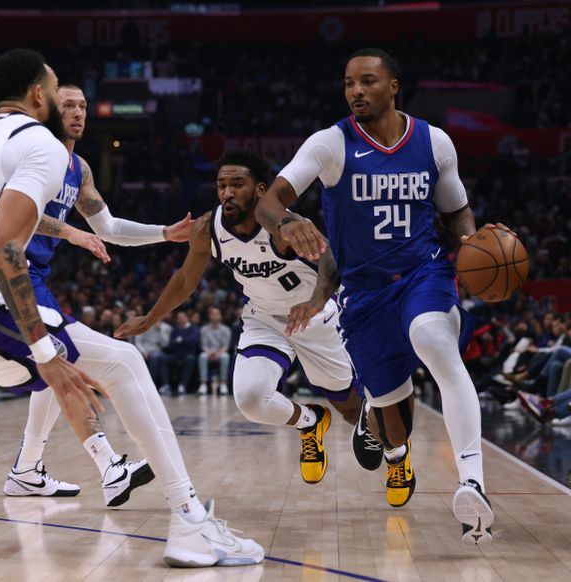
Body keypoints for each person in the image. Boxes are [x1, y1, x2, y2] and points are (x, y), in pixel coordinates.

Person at [0, 49, 262, 568]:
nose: (73, 105)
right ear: (40, 95)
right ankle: (190, 521)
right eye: (60, 89)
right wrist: (42, 350)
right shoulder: (37, 144)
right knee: (123, 362)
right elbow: (2, 250)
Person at [255, 48, 506, 545]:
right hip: (363, 295)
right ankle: (377, 414)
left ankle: (472, 481)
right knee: (397, 433)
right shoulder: (330, 144)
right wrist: (287, 221)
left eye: (367, 81)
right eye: (348, 83)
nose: (355, 91)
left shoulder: (435, 143)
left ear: (393, 87)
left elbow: (456, 212)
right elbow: (268, 201)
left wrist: (474, 246)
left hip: (423, 274)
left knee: (433, 340)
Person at [117, 149, 378, 486]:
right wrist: (150, 318)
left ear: (260, 189)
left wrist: (314, 302)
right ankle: (310, 422)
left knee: (353, 410)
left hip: (313, 317)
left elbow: (331, 260)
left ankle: (396, 452)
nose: (227, 192)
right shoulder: (206, 229)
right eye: (221, 185)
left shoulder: (286, 226)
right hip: (265, 318)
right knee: (251, 400)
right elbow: (184, 280)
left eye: (237, 184)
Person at [3, 83, 194, 505]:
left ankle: (26, 469)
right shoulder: (36, 153)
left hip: (33, 279)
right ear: (49, 110)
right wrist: (70, 230)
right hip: (7, 273)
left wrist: (164, 233)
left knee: (52, 367)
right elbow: (10, 211)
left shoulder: (79, 167)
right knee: (73, 360)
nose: (77, 112)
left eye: (83, 106)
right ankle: (109, 466)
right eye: (67, 104)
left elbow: (107, 227)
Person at [198, 306, 231, 395]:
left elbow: (226, 346)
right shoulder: (204, 329)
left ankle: (223, 383)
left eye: (217, 314)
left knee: (225, 356)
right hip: (208, 353)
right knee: (202, 356)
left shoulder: (226, 330)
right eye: (213, 314)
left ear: (220, 316)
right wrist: (209, 353)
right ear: (210, 316)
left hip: (220, 353)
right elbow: (203, 345)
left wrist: (218, 353)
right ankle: (203, 384)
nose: (215, 316)